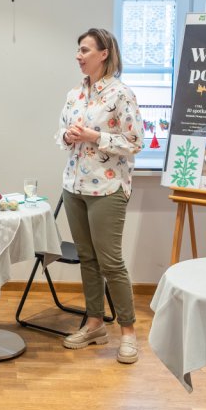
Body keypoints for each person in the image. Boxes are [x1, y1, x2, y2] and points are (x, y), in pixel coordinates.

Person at [56, 28, 144, 364]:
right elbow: (61, 135)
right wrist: (68, 135)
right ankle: (94, 324)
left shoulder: (121, 94)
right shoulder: (74, 95)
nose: (78, 56)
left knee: (111, 262)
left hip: (107, 188)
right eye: (78, 51)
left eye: (84, 50)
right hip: (74, 186)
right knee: (87, 258)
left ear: (103, 53)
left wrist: (95, 135)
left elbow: (134, 143)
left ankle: (129, 332)